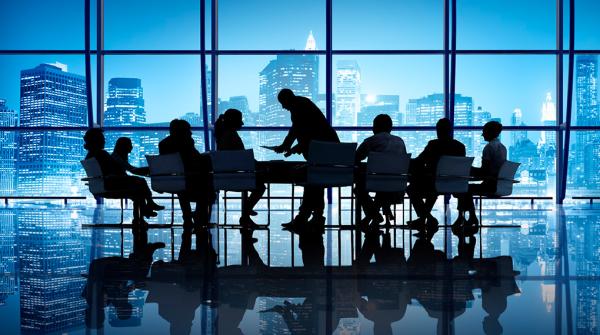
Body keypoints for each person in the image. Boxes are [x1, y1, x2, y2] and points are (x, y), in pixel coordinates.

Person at [273, 88, 340, 231]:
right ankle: (313, 216)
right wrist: (292, 148)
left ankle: (305, 216)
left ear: (287, 99)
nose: (283, 107)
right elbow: (311, 133)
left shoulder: (298, 107)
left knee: (312, 181)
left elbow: (297, 130)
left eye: (282, 103)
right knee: (315, 181)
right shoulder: (303, 104)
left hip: (321, 151)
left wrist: (286, 146)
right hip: (327, 150)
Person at [83, 128, 163, 225]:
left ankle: (142, 215)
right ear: (96, 140)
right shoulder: (101, 154)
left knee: (138, 192)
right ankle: (145, 209)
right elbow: (113, 171)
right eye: (102, 138)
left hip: (103, 185)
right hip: (110, 184)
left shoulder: (91, 155)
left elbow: (108, 171)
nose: (104, 140)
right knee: (140, 182)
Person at [407, 118, 466, 232]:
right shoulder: (460, 146)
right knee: (431, 191)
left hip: (434, 183)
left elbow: (420, 160)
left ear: (438, 130)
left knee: (411, 189)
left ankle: (428, 218)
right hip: (454, 184)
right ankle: (423, 219)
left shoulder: (433, 144)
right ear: (450, 131)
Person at [159, 119, 215, 231]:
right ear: (184, 131)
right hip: (192, 180)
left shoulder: (163, 144)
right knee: (207, 187)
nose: (191, 132)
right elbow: (195, 159)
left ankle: (188, 217)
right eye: (189, 130)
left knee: (183, 188)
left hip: (173, 180)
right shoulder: (187, 142)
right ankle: (199, 217)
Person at [214, 109, 266, 227]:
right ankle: (246, 213)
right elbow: (243, 158)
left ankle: (246, 211)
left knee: (257, 183)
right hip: (237, 179)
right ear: (234, 121)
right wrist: (259, 165)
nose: (242, 123)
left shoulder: (222, 136)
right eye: (240, 120)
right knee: (260, 187)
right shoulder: (232, 136)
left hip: (224, 178)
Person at [354, 114, 407, 231]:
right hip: (397, 185)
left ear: (375, 127)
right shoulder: (400, 141)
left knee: (359, 189)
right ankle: (378, 213)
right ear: (390, 128)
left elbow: (356, 157)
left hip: (377, 183)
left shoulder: (371, 141)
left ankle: (373, 215)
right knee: (384, 185)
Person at [455, 121, 507, 235]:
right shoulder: (503, 148)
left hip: (490, 184)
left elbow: (484, 172)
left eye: (484, 132)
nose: (482, 135)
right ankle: (465, 217)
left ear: (490, 132)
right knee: (464, 189)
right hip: (498, 184)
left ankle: (468, 217)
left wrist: (468, 168)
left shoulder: (488, 148)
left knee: (464, 189)